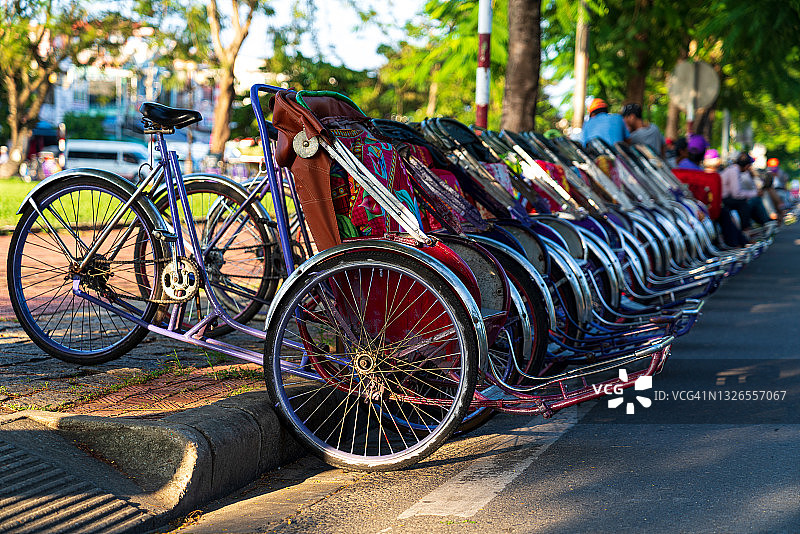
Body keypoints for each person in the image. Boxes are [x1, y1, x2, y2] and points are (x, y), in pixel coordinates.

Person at [720, 152, 769, 230]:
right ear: (747, 166)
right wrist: (755, 193)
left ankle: (763, 223)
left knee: (749, 201)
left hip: (726, 198)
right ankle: (749, 227)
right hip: (724, 199)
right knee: (748, 202)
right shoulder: (734, 171)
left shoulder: (734, 169)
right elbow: (736, 194)